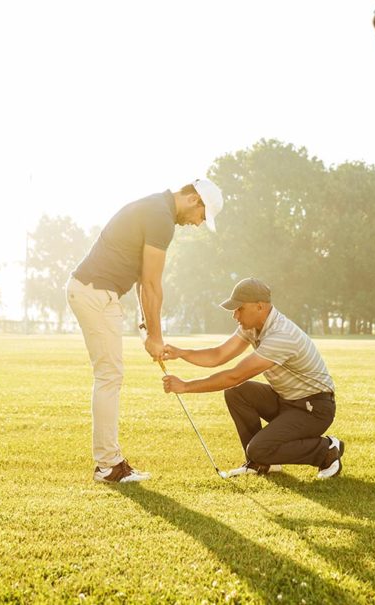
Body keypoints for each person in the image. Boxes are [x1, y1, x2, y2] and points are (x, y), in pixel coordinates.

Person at [66, 179, 223, 483]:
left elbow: (141, 280)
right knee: (109, 376)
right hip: (94, 291)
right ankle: (109, 466)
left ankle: (109, 463)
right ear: (193, 200)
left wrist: (144, 326)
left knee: (111, 375)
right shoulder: (160, 218)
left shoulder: (157, 209)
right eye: (203, 216)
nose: (199, 224)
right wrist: (156, 337)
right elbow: (152, 284)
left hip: (98, 292)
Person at [161, 277, 344, 480]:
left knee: (257, 446)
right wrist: (181, 353)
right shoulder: (253, 326)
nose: (234, 315)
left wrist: (186, 386)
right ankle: (259, 463)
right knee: (237, 394)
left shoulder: (281, 335)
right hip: (287, 400)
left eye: (239, 308)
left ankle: (326, 450)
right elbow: (219, 354)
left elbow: (234, 375)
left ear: (259, 306)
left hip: (314, 408)